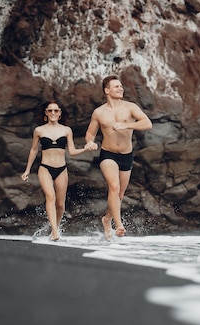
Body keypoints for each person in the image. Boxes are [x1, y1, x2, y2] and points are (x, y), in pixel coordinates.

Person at [84, 75, 153, 240]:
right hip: (108, 154)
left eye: (121, 86)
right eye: (116, 86)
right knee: (113, 187)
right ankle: (119, 224)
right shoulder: (99, 112)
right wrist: (90, 142)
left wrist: (127, 124)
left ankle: (106, 219)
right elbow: (90, 133)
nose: (120, 88)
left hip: (126, 155)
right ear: (107, 90)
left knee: (120, 195)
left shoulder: (130, 108)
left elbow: (147, 123)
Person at [21, 100, 97, 241]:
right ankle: (55, 232)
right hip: (45, 168)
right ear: (46, 113)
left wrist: (85, 148)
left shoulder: (66, 130)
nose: (53, 113)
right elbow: (33, 150)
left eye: (56, 111)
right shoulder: (39, 130)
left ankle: (54, 227)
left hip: (61, 169)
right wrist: (27, 170)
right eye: (50, 111)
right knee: (50, 196)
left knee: (60, 204)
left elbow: (72, 151)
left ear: (60, 113)